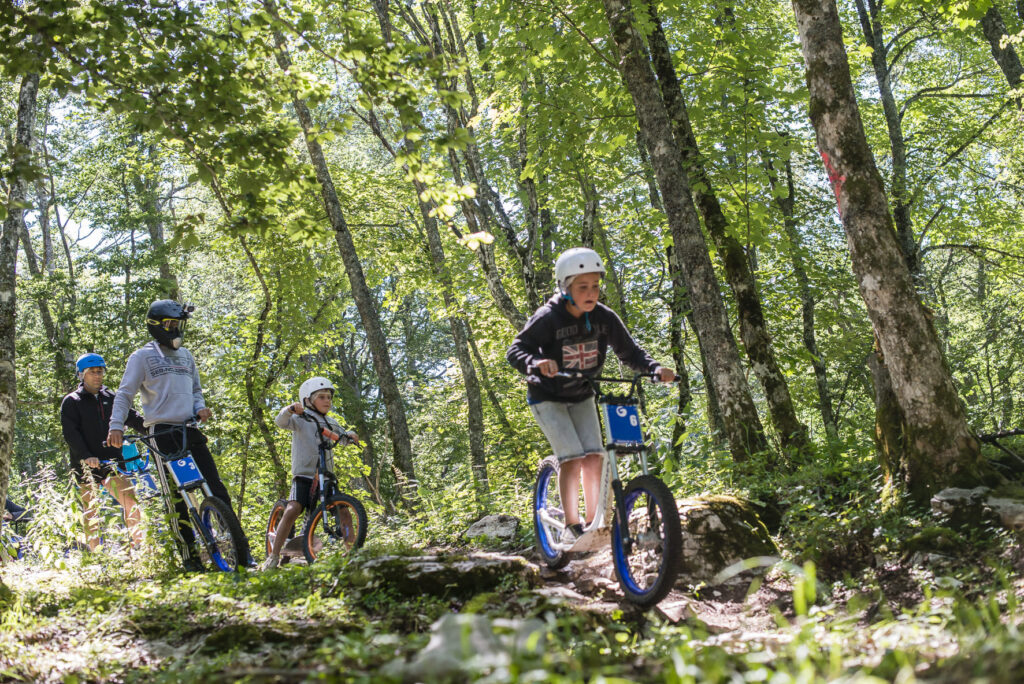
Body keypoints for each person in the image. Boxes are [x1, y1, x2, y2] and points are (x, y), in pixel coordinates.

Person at [507, 247, 675, 543]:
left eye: (595, 286)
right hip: (547, 396)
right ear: (565, 287)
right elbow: (516, 349)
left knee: (595, 456)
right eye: (582, 287)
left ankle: (593, 524)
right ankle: (571, 527)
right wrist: (536, 362)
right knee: (572, 457)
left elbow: (630, 352)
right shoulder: (548, 317)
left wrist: (654, 369)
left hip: (582, 393)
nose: (591, 293)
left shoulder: (604, 318)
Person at [106, 300, 255, 569]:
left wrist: (200, 408)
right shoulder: (141, 357)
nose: (175, 329)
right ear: (156, 325)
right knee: (176, 496)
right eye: (170, 324)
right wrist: (116, 425)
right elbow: (125, 394)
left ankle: (240, 550)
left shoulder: (186, 356)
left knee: (216, 488)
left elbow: (196, 391)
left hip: (190, 429)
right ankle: (189, 557)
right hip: (161, 432)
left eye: (178, 324)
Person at [263, 376, 359, 571]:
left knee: (344, 511)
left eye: (329, 397)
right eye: (322, 397)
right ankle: (273, 556)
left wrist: (350, 435)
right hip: (304, 474)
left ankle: (352, 553)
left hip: (326, 475)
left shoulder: (330, 422)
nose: (327, 401)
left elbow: (343, 438)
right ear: (307, 400)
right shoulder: (300, 418)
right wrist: (290, 409)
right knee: (293, 508)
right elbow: (280, 421)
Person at [60, 353, 146, 551]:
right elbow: (71, 434)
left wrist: (152, 429)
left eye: (100, 371)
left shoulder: (112, 397)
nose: (97, 376)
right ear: (81, 374)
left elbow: (132, 418)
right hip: (85, 464)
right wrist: (86, 456)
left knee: (131, 502)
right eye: (92, 372)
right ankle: (96, 554)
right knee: (91, 511)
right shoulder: (72, 401)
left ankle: (139, 548)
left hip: (112, 461)